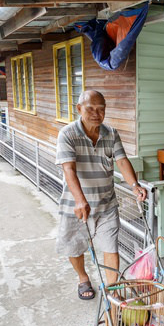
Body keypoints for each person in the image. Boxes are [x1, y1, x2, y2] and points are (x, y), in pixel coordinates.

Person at [55, 90, 146, 300]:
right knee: (74, 246)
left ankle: (112, 293)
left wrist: (134, 185)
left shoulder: (111, 133)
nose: (96, 113)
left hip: (106, 204)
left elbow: (122, 161)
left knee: (110, 247)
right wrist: (80, 200)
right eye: (90, 109)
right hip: (76, 206)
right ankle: (83, 278)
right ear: (79, 109)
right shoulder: (67, 134)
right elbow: (68, 169)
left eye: (101, 109)